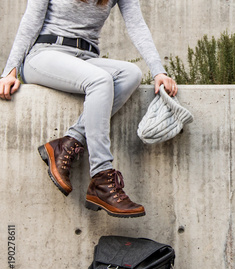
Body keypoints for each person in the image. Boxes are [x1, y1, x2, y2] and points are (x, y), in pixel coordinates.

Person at [0, 0, 176, 218]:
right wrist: (10, 70)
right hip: (44, 55)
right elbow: (31, 20)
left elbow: (137, 25)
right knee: (101, 80)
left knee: (131, 74)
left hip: (85, 59)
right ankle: (102, 175)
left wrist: (159, 71)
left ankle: (68, 143)